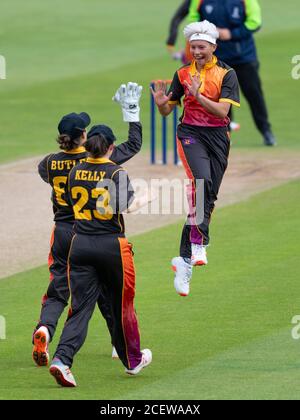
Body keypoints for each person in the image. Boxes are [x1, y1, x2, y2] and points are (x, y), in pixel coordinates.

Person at [32, 83, 143, 367]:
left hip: (61, 231)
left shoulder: (49, 162)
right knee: (107, 289)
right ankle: (120, 347)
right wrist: (132, 113)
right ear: (84, 136)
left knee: (59, 287)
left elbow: (46, 173)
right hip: (89, 231)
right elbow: (133, 146)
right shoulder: (95, 161)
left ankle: (45, 327)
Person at [151, 20, 240, 296]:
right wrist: (161, 105)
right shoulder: (182, 73)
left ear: (213, 46)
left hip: (217, 137)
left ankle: (184, 261)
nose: (196, 51)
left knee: (209, 195)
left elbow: (222, 113)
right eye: (192, 47)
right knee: (201, 182)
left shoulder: (227, 74)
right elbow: (169, 111)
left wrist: (198, 95)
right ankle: (199, 242)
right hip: (190, 134)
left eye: (201, 47)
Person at [187, 0, 276, 146]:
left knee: (254, 94)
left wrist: (232, 33)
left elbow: (255, 22)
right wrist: (210, 32)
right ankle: (224, 135)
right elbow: (192, 19)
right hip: (216, 58)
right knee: (220, 97)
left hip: (244, 57)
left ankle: (266, 131)